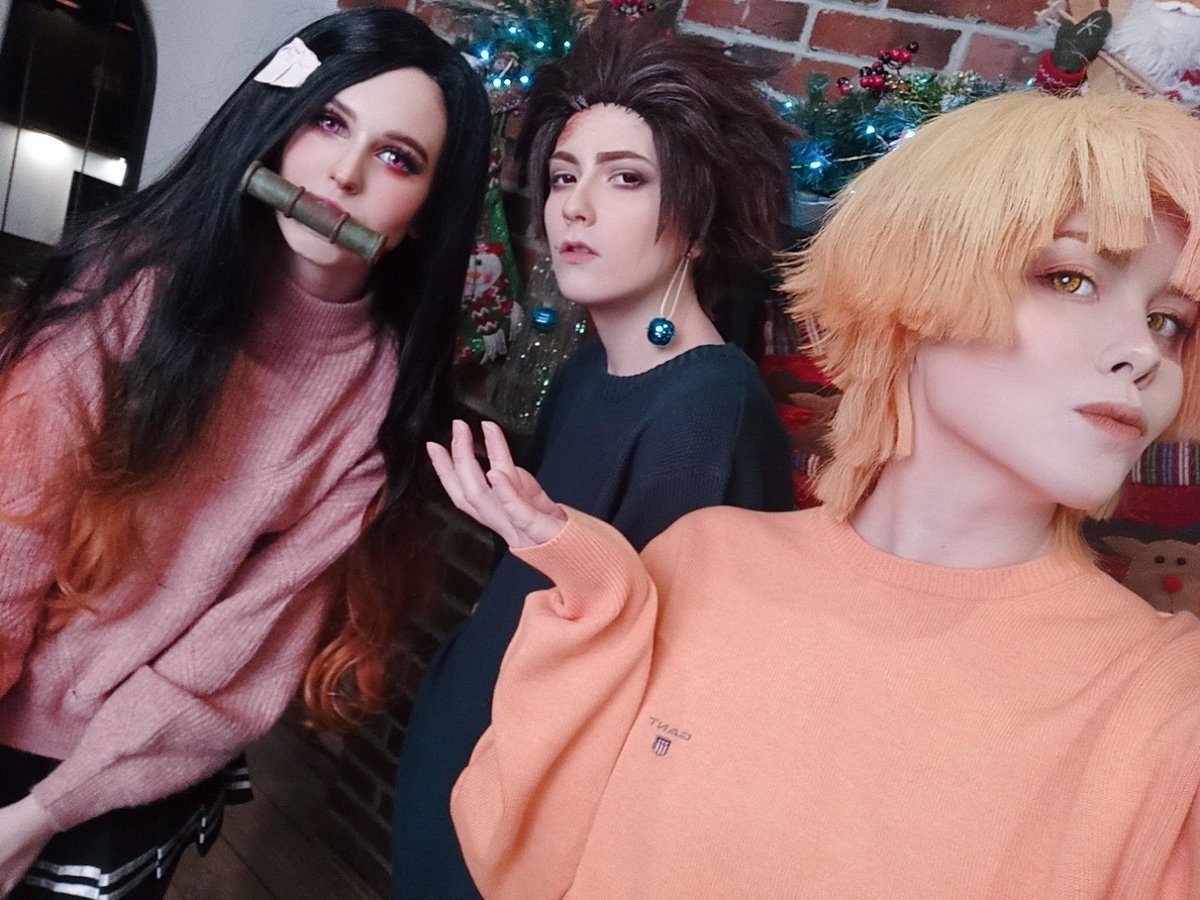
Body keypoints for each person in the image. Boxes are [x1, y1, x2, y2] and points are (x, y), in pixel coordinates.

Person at [431, 89, 1200, 897]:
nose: (1142, 354)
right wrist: (597, 594)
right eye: (1071, 278)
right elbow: (522, 858)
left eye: (1169, 320)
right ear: (916, 285)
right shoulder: (703, 557)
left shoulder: (1163, 708)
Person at [0, 7, 489, 898]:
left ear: (425, 215)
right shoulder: (128, 289)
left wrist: (43, 812)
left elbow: (242, 647)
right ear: (278, 125)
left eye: (396, 158)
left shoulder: (381, 400)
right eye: (328, 121)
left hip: (130, 767)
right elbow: (10, 541)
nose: (343, 174)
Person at [390, 11, 796, 897]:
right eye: (565, 175)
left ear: (698, 218)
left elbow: (669, 703)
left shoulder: (708, 411)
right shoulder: (583, 371)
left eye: (627, 177)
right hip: (467, 768)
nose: (575, 205)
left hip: (532, 832)